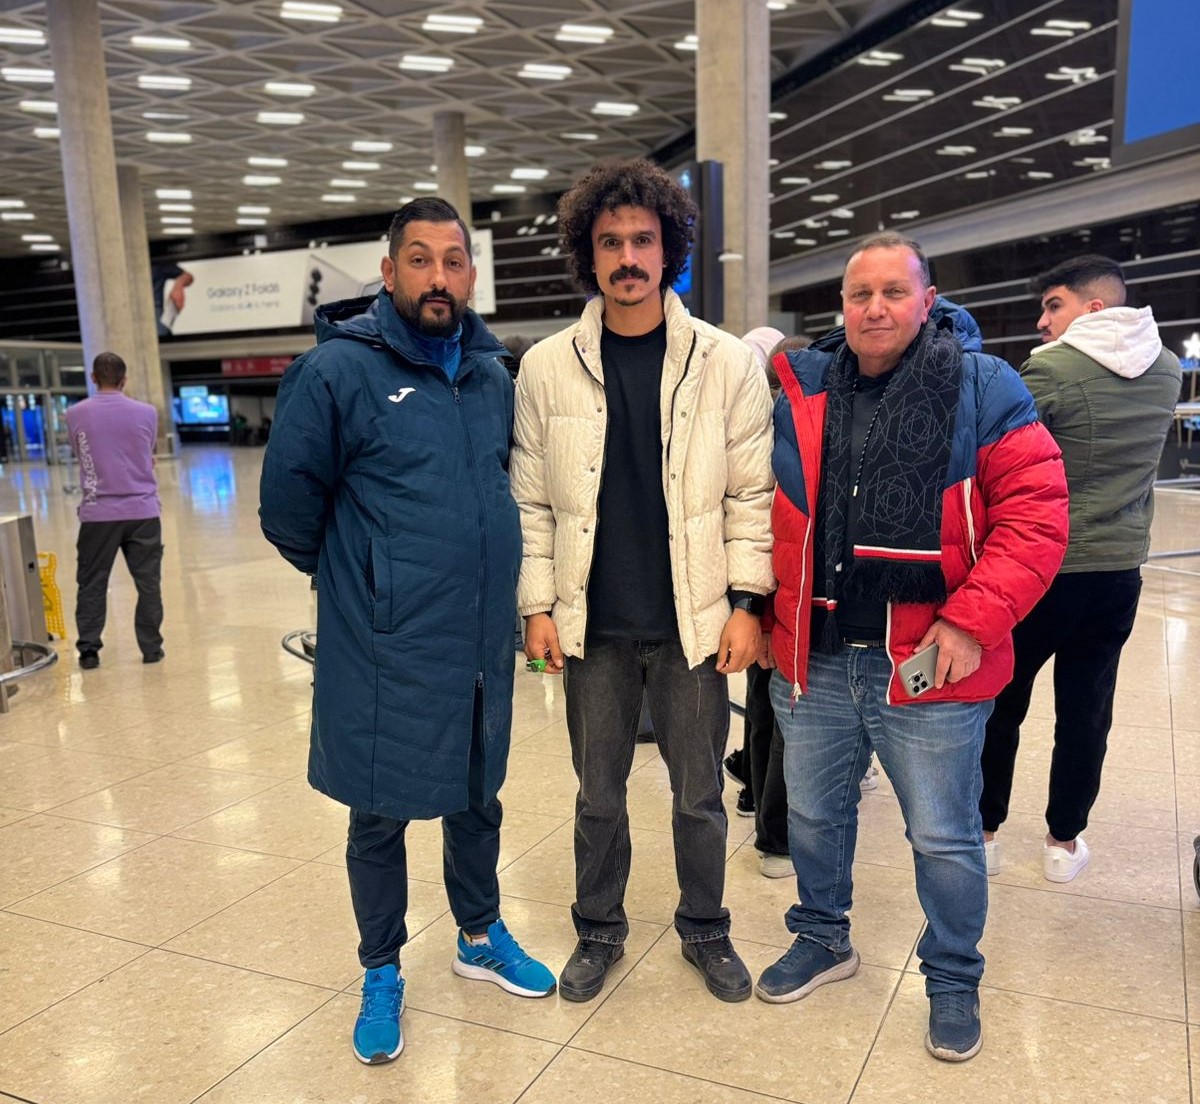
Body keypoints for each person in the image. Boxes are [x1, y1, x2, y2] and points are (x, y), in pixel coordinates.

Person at [259, 197, 554, 1068]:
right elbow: (288, 510)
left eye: (452, 261)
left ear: (471, 275)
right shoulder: (337, 372)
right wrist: (365, 580)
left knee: (477, 792)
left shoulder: (492, 376)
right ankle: (381, 967)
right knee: (379, 808)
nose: (437, 277)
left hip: (477, 637)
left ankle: (478, 934)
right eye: (419, 260)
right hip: (384, 640)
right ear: (389, 273)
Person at [761, 233, 1068, 1061]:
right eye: (860, 294)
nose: (875, 308)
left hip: (928, 659)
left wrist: (968, 622)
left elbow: (1036, 520)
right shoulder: (804, 386)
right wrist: (757, 611)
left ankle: (953, 975)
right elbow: (765, 509)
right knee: (815, 815)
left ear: (927, 301)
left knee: (942, 834)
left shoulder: (983, 386)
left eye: (894, 292)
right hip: (818, 653)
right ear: (842, 306)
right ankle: (822, 936)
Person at [511, 158, 775, 1004]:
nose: (627, 257)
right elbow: (530, 501)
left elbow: (751, 494)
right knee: (598, 795)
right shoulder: (545, 367)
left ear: (669, 251)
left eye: (643, 241)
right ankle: (597, 929)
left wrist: (748, 603)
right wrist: (536, 607)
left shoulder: (725, 362)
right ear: (587, 255)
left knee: (699, 796)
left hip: (694, 621)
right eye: (610, 242)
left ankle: (706, 928)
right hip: (592, 625)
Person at [979, 255, 1182, 883]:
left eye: (1054, 306)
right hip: (1119, 570)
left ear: (1094, 308)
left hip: (1042, 568)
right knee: (1087, 709)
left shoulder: (1050, 370)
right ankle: (1062, 843)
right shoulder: (1168, 369)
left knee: (1001, 701)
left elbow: (998, 456)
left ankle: (983, 834)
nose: (1042, 322)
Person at [65, 352, 164, 669]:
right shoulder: (147, 412)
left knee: (92, 582)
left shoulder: (75, 414)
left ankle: (89, 651)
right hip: (143, 511)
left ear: (93, 378)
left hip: (98, 512)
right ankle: (151, 648)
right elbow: (147, 452)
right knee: (148, 584)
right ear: (124, 379)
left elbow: (81, 453)